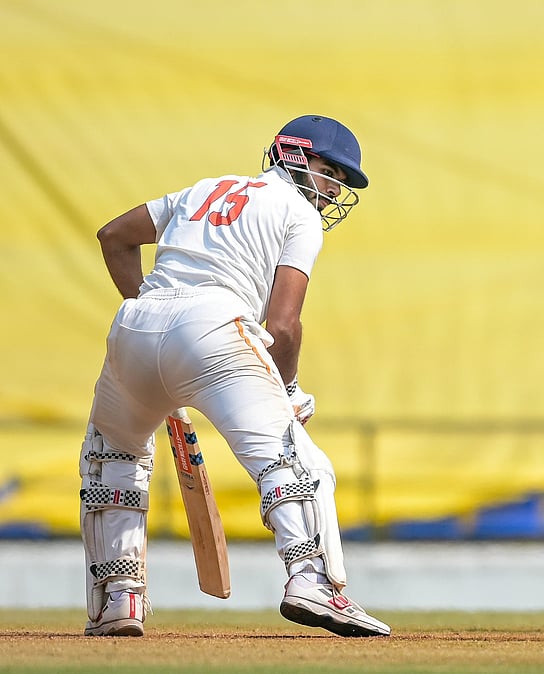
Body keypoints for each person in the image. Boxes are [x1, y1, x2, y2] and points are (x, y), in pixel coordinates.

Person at [79, 115, 390, 638]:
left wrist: (156, 322)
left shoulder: (203, 189)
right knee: (294, 461)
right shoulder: (299, 213)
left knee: (113, 460)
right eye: (330, 171)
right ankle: (313, 582)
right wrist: (287, 392)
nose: (335, 188)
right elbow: (283, 325)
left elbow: (113, 237)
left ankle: (119, 599)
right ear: (295, 156)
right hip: (215, 325)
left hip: (135, 325)